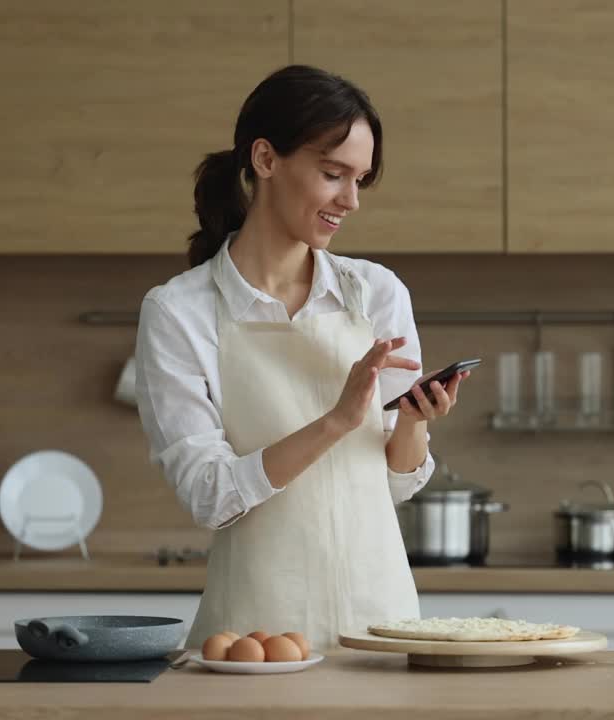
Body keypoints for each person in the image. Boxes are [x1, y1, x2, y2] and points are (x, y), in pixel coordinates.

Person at [134, 65, 471, 650]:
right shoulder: (178, 312)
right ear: (265, 160)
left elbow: (390, 483)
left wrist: (412, 422)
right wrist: (338, 420)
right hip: (252, 633)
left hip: (381, 620)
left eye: (361, 179)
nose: (351, 200)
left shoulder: (377, 294)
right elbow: (210, 496)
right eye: (333, 174)